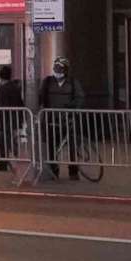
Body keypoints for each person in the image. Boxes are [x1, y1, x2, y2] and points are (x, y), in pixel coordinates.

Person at [36, 53, 88, 181]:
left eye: (60, 68)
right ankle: (54, 171)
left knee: (72, 147)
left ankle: (73, 172)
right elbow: (40, 98)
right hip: (51, 120)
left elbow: (80, 98)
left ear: (66, 70)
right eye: (56, 68)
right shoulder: (47, 82)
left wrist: (71, 108)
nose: (57, 71)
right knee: (52, 146)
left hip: (68, 120)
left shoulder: (73, 83)